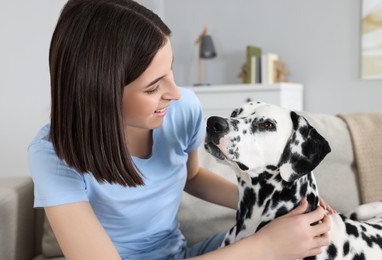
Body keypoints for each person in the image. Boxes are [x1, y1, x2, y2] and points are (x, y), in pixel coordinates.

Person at [28, 0, 331, 259]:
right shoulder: (53, 155)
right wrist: (267, 244)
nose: (174, 92)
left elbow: (193, 176)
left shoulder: (182, 108)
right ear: (99, 93)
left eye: (170, 70)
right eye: (152, 88)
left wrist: (283, 209)